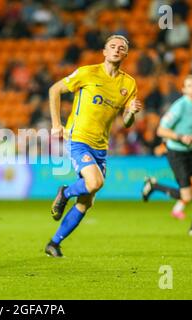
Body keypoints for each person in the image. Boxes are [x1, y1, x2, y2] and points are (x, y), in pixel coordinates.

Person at [46, 35, 142, 257]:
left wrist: (131, 113)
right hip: (78, 139)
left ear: (126, 55)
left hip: (101, 147)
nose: (117, 50)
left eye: (122, 48)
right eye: (112, 46)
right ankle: (65, 192)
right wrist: (56, 124)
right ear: (104, 51)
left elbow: (127, 123)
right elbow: (54, 90)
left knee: (86, 202)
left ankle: (54, 243)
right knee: (95, 182)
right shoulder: (87, 72)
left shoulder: (129, 84)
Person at [142, 76, 192, 236]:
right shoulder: (180, 107)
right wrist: (180, 137)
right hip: (177, 153)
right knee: (187, 197)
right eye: (190, 85)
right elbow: (161, 130)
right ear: (184, 90)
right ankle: (154, 186)